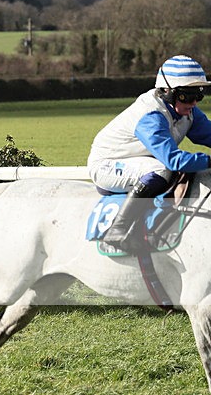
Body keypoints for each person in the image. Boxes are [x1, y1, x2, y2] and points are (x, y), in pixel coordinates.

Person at [88, 55, 211, 253]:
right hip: (107, 165)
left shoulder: (187, 112)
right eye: (187, 96)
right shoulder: (150, 116)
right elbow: (173, 160)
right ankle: (117, 230)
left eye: (199, 95)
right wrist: (208, 160)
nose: (194, 103)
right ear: (167, 92)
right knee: (163, 170)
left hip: (139, 161)